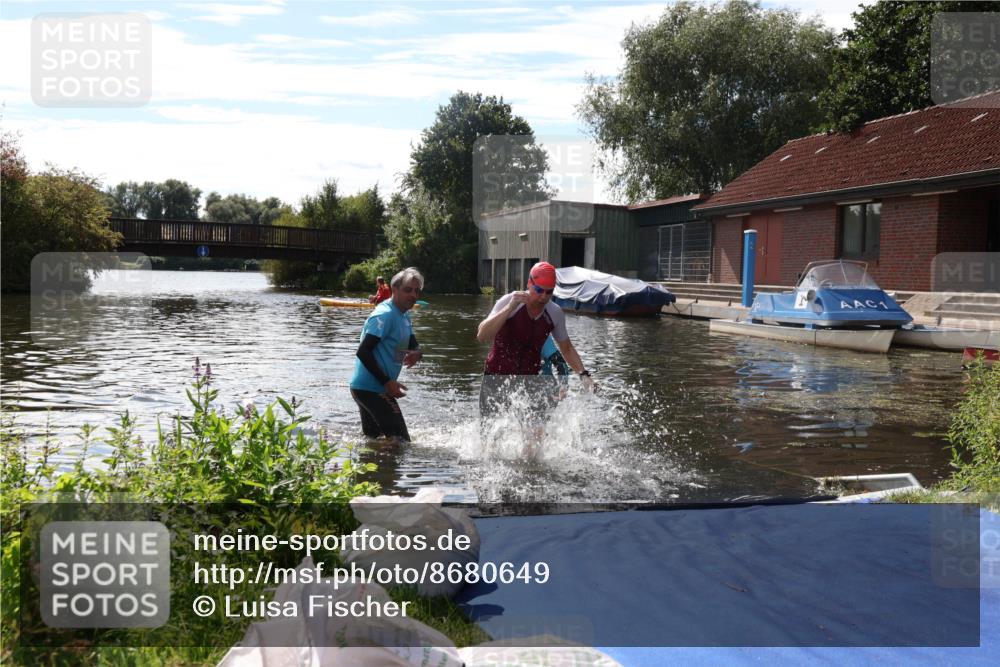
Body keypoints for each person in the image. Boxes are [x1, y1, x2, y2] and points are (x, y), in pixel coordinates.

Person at [476, 261, 593, 420]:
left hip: (530, 379)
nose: (543, 296)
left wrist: (583, 374)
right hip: (496, 375)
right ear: (529, 283)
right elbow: (482, 335)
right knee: (490, 436)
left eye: (549, 292)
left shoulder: (555, 313)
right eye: (539, 290)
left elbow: (566, 349)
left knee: (536, 436)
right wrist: (509, 308)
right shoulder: (510, 301)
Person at [350, 267, 424, 442]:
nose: (413, 295)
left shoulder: (404, 315)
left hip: (367, 388)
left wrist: (418, 353)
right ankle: (387, 468)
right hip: (372, 388)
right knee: (401, 441)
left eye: (417, 291)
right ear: (394, 290)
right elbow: (363, 351)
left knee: (374, 441)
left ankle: (373, 468)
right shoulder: (385, 315)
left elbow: (412, 341)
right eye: (408, 290)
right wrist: (387, 382)